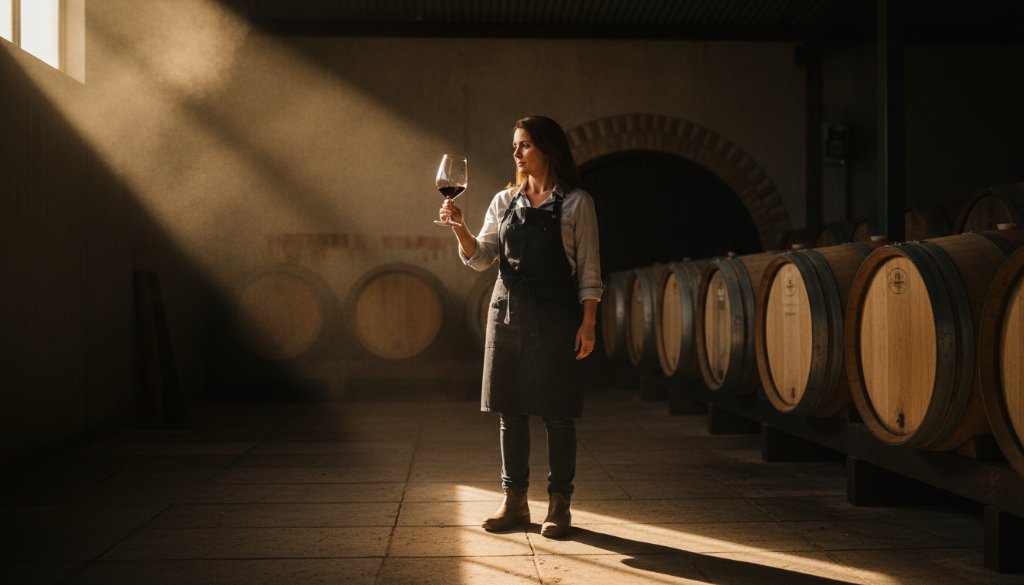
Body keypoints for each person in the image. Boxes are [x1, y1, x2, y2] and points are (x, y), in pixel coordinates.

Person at [439, 116, 602, 538]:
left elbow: (589, 270)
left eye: (525, 144)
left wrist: (588, 322)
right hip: (507, 311)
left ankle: (559, 504)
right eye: (514, 145)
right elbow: (482, 257)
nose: (516, 152)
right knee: (510, 411)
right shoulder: (504, 200)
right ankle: (514, 502)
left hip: (556, 314)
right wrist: (460, 228)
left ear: (548, 148)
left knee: (558, 413)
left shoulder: (577, 203)